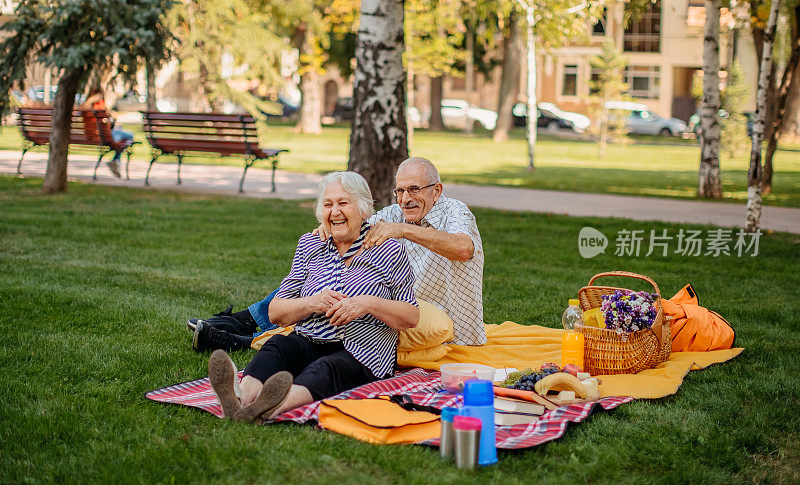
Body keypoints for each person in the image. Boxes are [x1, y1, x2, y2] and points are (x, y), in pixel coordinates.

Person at [190, 156, 485, 351]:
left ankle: (244, 340)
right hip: (400, 299)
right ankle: (244, 321)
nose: (406, 199)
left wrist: (401, 230)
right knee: (320, 277)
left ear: (437, 190)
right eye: (400, 191)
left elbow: (462, 248)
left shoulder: (454, 211)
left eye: (415, 189)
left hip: (436, 316)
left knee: (350, 300)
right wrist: (331, 219)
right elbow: (355, 223)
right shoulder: (396, 212)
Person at [208, 171, 420, 422]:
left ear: (363, 208)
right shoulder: (310, 244)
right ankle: (240, 400)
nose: (335, 211)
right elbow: (276, 312)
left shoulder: (389, 250)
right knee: (277, 347)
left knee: (326, 369)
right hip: (310, 338)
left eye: (343, 203)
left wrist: (366, 304)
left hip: (361, 350)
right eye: (328, 205)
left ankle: (267, 409)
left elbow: (411, 316)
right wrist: (313, 302)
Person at [81, 88, 134, 178]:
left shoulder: (89, 107)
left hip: (97, 135)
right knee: (129, 136)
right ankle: (115, 160)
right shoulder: (98, 106)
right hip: (104, 136)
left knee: (121, 136)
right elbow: (108, 117)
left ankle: (115, 159)